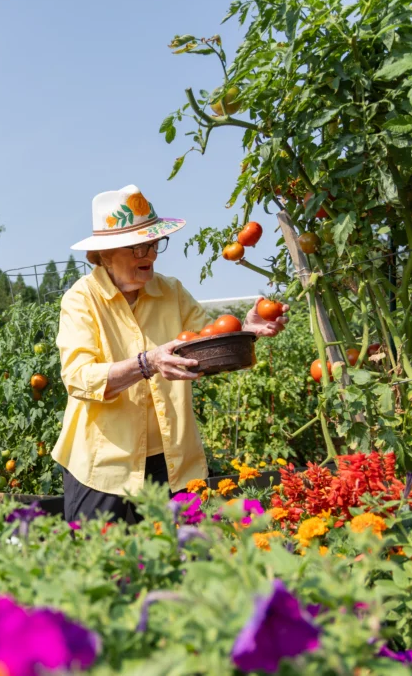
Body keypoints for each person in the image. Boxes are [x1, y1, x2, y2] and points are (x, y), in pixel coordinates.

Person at [52, 184, 288, 523]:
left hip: (174, 463)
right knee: (101, 570)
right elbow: (78, 377)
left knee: (184, 567)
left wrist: (246, 331)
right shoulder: (81, 300)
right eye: (136, 248)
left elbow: (207, 346)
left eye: (152, 244)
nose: (149, 255)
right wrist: (147, 363)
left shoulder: (172, 292)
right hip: (103, 466)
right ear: (105, 255)